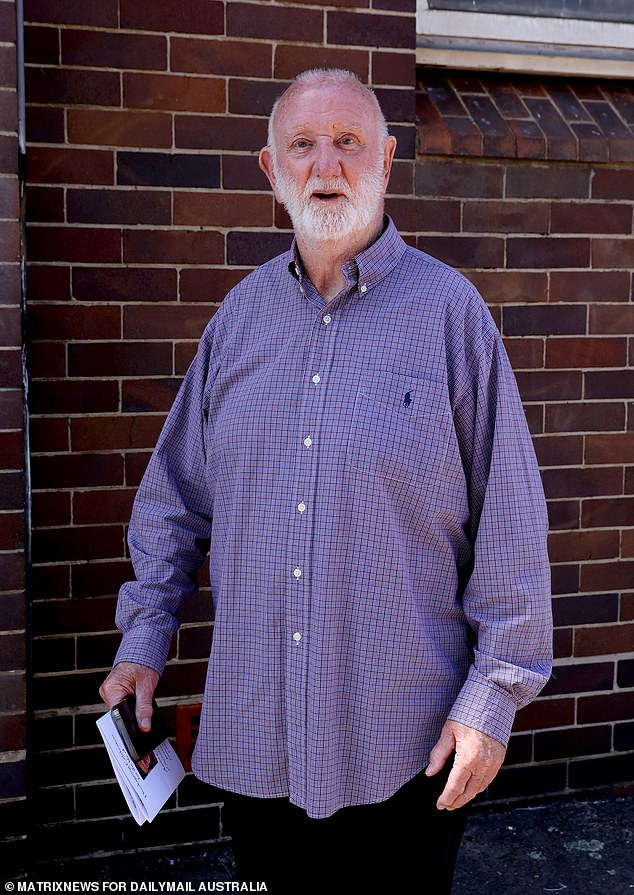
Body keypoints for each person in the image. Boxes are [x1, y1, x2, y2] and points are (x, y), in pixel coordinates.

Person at [100, 68, 552, 893]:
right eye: (303, 144)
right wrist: (143, 642)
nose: (326, 164)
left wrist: (493, 700)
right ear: (271, 170)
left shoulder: (453, 318)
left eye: (348, 142)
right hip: (256, 747)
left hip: (407, 750)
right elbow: (173, 503)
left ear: (384, 158)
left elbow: (512, 531)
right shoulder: (235, 323)